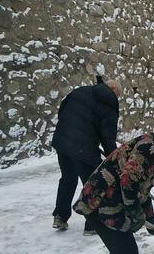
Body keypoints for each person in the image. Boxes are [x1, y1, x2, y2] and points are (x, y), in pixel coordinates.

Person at [73, 118, 154, 254]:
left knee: (124, 249)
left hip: (110, 203)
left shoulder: (153, 146)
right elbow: (128, 180)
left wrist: (149, 217)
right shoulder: (150, 148)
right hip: (100, 204)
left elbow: (142, 189)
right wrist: (134, 210)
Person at [51, 80, 122, 234]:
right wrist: (114, 158)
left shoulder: (80, 90)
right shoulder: (109, 102)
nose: (116, 98)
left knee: (67, 178)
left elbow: (62, 110)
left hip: (62, 140)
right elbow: (108, 137)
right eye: (117, 95)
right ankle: (92, 226)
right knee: (93, 184)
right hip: (84, 147)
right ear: (113, 89)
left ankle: (60, 217)